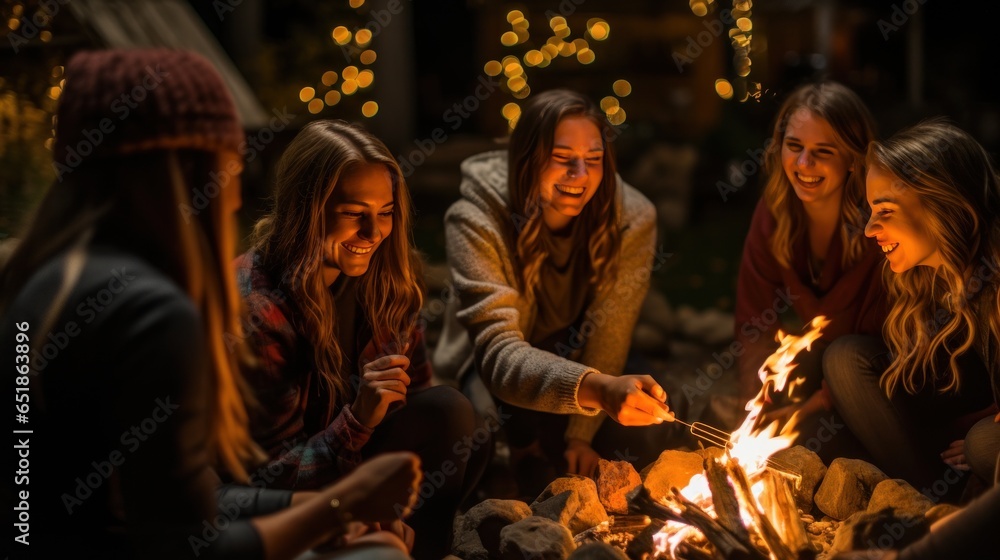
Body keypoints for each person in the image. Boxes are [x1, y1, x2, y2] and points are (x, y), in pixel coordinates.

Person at [0, 48, 420, 560]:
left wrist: (322, 507)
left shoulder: (42, 283)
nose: (237, 196)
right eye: (230, 167)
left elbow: (181, 506)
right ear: (188, 172)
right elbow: (185, 546)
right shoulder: (152, 313)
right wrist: (337, 508)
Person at [236, 119, 485, 559]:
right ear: (306, 208)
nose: (373, 235)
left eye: (385, 213)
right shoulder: (259, 309)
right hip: (290, 495)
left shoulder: (389, 278)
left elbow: (419, 395)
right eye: (354, 214)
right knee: (450, 415)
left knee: (466, 427)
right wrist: (359, 420)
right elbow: (268, 477)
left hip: (358, 464)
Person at [432, 89, 675, 489]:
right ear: (527, 159)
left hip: (579, 356)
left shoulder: (632, 217)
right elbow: (498, 355)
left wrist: (581, 434)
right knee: (487, 461)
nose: (580, 176)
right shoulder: (475, 219)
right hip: (496, 373)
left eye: (594, 161)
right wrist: (598, 390)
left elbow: (611, 331)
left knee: (657, 419)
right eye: (563, 159)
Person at [825, 120, 1000, 490]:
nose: (870, 229)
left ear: (943, 205)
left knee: (986, 445)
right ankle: (923, 502)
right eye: (870, 210)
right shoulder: (923, 279)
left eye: (885, 211)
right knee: (845, 360)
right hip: (950, 431)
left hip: (980, 438)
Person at [733, 82, 885, 453]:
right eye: (794, 147)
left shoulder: (879, 224)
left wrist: (808, 407)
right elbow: (754, 320)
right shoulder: (775, 213)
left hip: (876, 372)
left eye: (822, 152)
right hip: (818, 364)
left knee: (827, 435)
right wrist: (754, 406)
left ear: (852, 159)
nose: (803, 165)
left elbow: (891, 339)